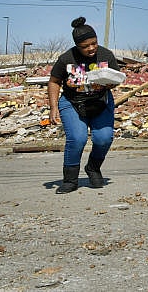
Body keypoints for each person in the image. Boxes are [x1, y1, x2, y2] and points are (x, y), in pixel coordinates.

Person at [47, 17, 123, 193]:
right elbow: (54, 81)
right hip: (72, 102)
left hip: (100, 101)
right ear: (77, 46)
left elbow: (116, 78)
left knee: (104, 138)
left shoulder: (106, 55)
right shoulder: (67, 58)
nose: (91, 48)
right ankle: (70, 180)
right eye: (85, 46)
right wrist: (53, 108)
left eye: (94, 43)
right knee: (77, 138)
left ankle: (93, 168)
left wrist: (111, 83)